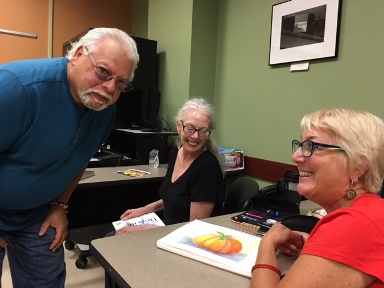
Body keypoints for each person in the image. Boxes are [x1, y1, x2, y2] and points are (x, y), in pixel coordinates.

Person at [0, 27, 139, 287]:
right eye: (103, 71)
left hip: (34, 214)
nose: (109, 87)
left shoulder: (104, 109)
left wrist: (60, 205)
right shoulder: (16, 88)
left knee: (47, 280)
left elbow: (81, 156)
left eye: (120, 83)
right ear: (77, 55)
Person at [251, 108, 384, 288]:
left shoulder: (354, 224)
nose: (295, 156)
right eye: (301, 145)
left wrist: (267, 245)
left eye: (312, 147)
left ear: (357, 165)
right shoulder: (371, 210)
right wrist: (317, 248)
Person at [115, 97, 225, 234]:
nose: (196, 136)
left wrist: (142, 230)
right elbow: (173, 199)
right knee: (111, 235)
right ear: (179, 126)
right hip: (166, 229)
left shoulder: (207, 168)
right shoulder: (175, 152)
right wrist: (143, 210)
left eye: (202, 131)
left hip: (182, 239)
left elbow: (195, 229)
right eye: (190, 128)